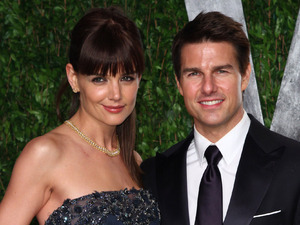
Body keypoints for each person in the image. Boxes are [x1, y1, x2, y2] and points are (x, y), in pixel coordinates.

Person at [0, 7, 160, 225]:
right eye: (99, 79)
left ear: (139, 79)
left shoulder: (133, 160)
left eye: (127, 78)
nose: (116, 95)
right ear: (73, 78)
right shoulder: (44, 155)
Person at [141, 11, 300, 225]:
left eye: (221, 71)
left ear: (244, 76)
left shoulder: (294, 165)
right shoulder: (153, 176)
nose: (208, 87)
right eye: (194, 74)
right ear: (179, 84)